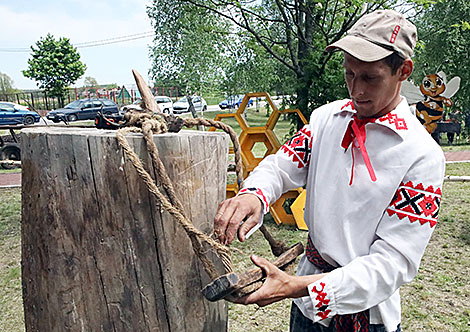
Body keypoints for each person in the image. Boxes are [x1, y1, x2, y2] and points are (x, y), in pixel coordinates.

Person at [214, 9, 445, 332]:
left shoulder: (421, 155)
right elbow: (282, 166)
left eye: (370, 78)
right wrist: (254, 195)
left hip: (365, 317)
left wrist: (298, 286)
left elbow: (393, 264)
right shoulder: (327, 120)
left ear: (403, 71)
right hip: (307, 311)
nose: (356, 90)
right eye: (350, 74)